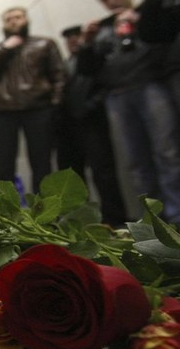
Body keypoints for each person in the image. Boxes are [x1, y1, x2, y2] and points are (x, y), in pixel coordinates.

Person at [78, 0, 180, 228]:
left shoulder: (148, 13)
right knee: (135, 160)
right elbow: (87, 69)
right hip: (116, 95)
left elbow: (163, 37)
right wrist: (86, 43)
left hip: (150, 85)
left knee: (168, 151)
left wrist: (141, 20)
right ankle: (155, 219)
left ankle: (177, 214)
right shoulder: (102, 27)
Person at [0, 6, 65, 193]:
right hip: (2, 110)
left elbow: (59, 75)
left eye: (18, 17)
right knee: (3, 166)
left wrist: (55, 103)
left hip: (38, 107)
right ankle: (6, 216)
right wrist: (5, 49)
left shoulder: (44, 44)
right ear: (3, 25)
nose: (14, 21)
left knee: (42, 162)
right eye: (9, 19)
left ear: (27, 20)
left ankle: (46, 214)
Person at [55, 25, 128, 226]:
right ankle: (82, 223)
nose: (72, 41)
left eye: (75, 37)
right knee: (73, 176)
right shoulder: (65, 66)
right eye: (68, 39)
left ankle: (115, 219)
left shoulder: (92, 61)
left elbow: (104, 84)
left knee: (103, 171)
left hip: (91, 121)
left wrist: (91, 106)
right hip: (69, 126)